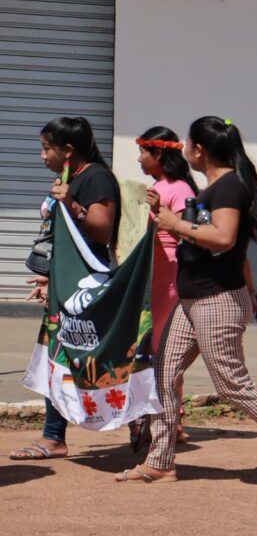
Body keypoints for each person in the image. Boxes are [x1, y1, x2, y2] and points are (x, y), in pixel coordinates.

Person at [116, 117, 257, 489]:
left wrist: (174, 224)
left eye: (187, 143)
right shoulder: (214, 188)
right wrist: (251, 292)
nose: (183, 149)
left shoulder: (228, 188)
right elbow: (228, 250)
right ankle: (160, 462)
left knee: (232, 383)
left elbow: (224, 238)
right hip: (194, 300)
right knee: (164, 374)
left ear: (199, 150)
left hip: (216, 301)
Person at [10, 117, 122, 461]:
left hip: (86, 289)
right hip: (65, 286)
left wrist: (72, 203)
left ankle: (58, 436)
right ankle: (55, 436)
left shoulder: (96, 178)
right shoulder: (71, 177)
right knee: (59, 359)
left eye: (47, 148)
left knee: (87, 358)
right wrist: (50, 277)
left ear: (68, 149)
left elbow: (101, 231)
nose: (42, 156)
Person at [133, 126, 198, 448]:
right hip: (153, 272)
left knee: (163, 350)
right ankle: (158, 417)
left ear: (158, 153)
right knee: (151, 348)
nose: (139, 159)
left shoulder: (180, 188)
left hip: (170, 274)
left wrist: (161, 211)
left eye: (143, 152)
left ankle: (173, 420)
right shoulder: (157, 187)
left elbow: (188, 233)